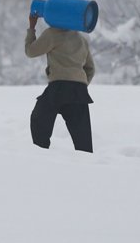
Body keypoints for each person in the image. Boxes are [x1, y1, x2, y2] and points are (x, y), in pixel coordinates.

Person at [25, 10, 95, 153]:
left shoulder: (52, 34)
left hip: (58, 88)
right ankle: (88, 166)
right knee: (82, 137)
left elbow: (30, 51)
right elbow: (91, 69)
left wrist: (32, 27)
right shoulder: (81, 39)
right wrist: (79, 84)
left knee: (39, 120)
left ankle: (41, 155)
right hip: (79, 90)